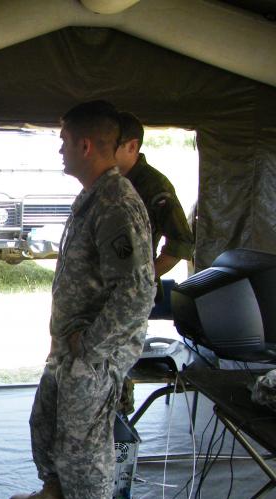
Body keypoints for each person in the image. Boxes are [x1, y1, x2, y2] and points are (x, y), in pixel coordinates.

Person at [8, 101, 155, 499]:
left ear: (85, 145)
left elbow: (136, 292)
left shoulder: (116, 203)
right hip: (70, 346)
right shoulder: (94, 196)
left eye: (64, 141)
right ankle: (56, 496)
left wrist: (89, 347)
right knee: (47, 420)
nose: (60, 150)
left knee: (84, 443)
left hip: (95, 352)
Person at [115, 111, 194, 413]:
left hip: (131, 293)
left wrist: (146, 275)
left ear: (131, 146)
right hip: (102, 290)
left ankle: (118, 424)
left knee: (119, 365)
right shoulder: (108, 181)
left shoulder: (152, 185)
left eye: (110, 145)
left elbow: (181, 242)